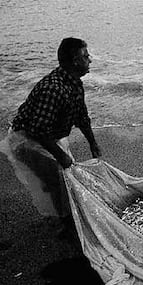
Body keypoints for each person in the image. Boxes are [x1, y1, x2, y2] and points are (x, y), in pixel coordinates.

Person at [0, 37, 102, 237]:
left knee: (65, 172)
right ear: (74, 61)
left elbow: (82, 117)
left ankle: (65, 213)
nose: (90, 60)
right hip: (26, 139)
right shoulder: (53, 89)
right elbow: (37, 131)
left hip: (49, 133)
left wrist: (93, 143)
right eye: (86, 56)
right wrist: (59, 156)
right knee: (58, 175)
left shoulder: (74, 83)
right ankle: (67, 225)